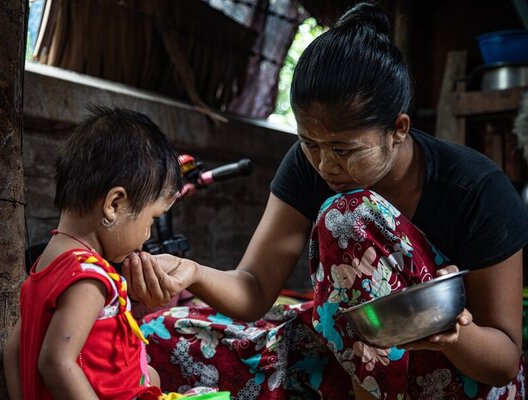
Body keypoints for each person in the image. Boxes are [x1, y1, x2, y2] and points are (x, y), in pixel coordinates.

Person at [125, 2, 528, 399]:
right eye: (309, 143)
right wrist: (192, 273)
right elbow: (254, 288)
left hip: (453, 373)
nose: (324, 165)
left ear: (399, 129)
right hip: (350, 359)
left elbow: (503, 362)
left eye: (344, 149)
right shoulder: (308, 164)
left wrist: (454, 333)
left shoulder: (477, 190)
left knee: (346, 215)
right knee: (161, 335)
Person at [3, 106, 183, 399]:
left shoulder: (46, 265)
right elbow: (57, 363)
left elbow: (13, 351)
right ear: (114, 204)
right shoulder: (89, 277)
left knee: (152, 375)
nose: (147, 235)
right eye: (151, 219)